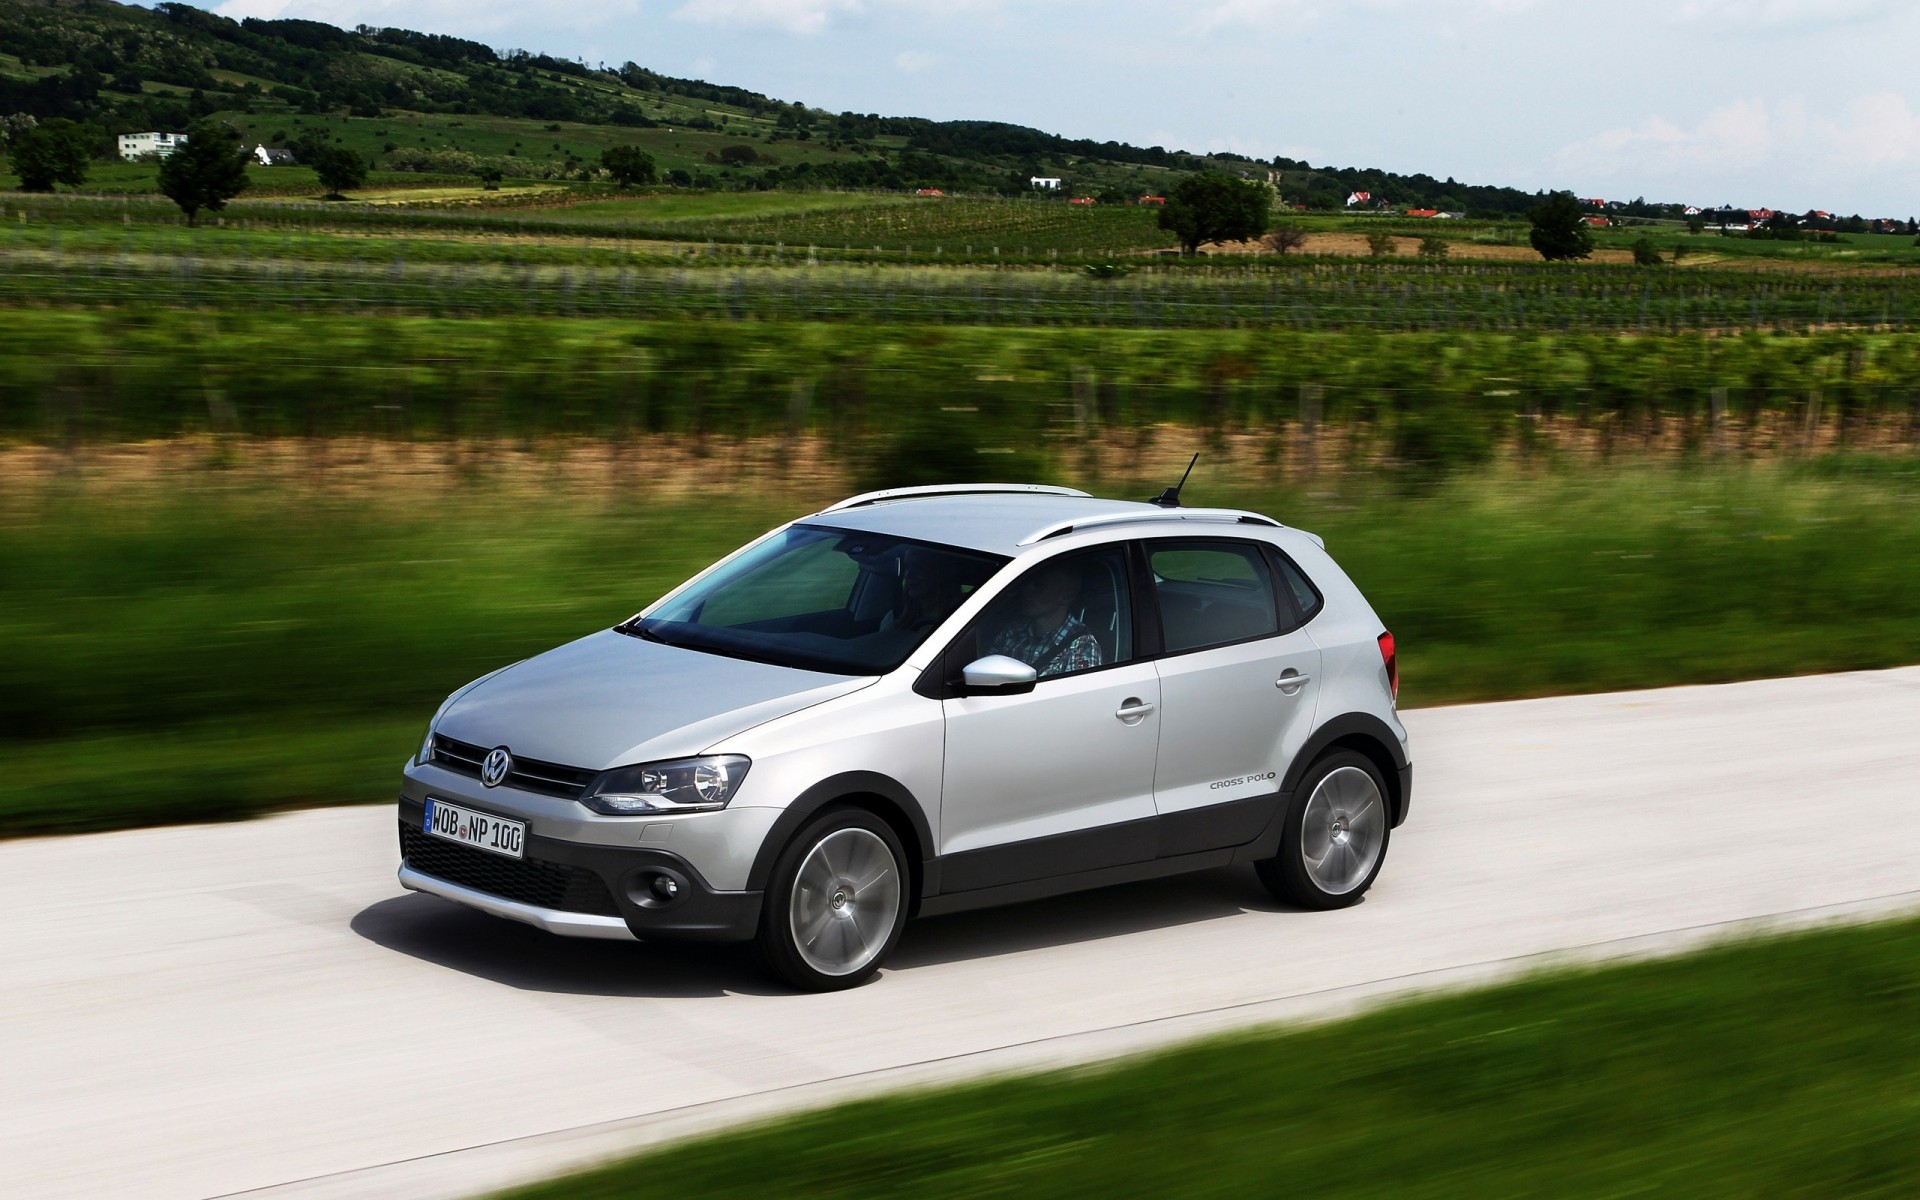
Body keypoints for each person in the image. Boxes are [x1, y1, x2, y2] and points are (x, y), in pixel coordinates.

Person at [987, 560, 1102, 678]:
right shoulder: (1012, 632)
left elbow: (1079, 694)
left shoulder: (1081, 645)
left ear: (1067, 596)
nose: (1027, 590)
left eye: (1039, 585)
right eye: (1027, 583)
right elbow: (986, 674)